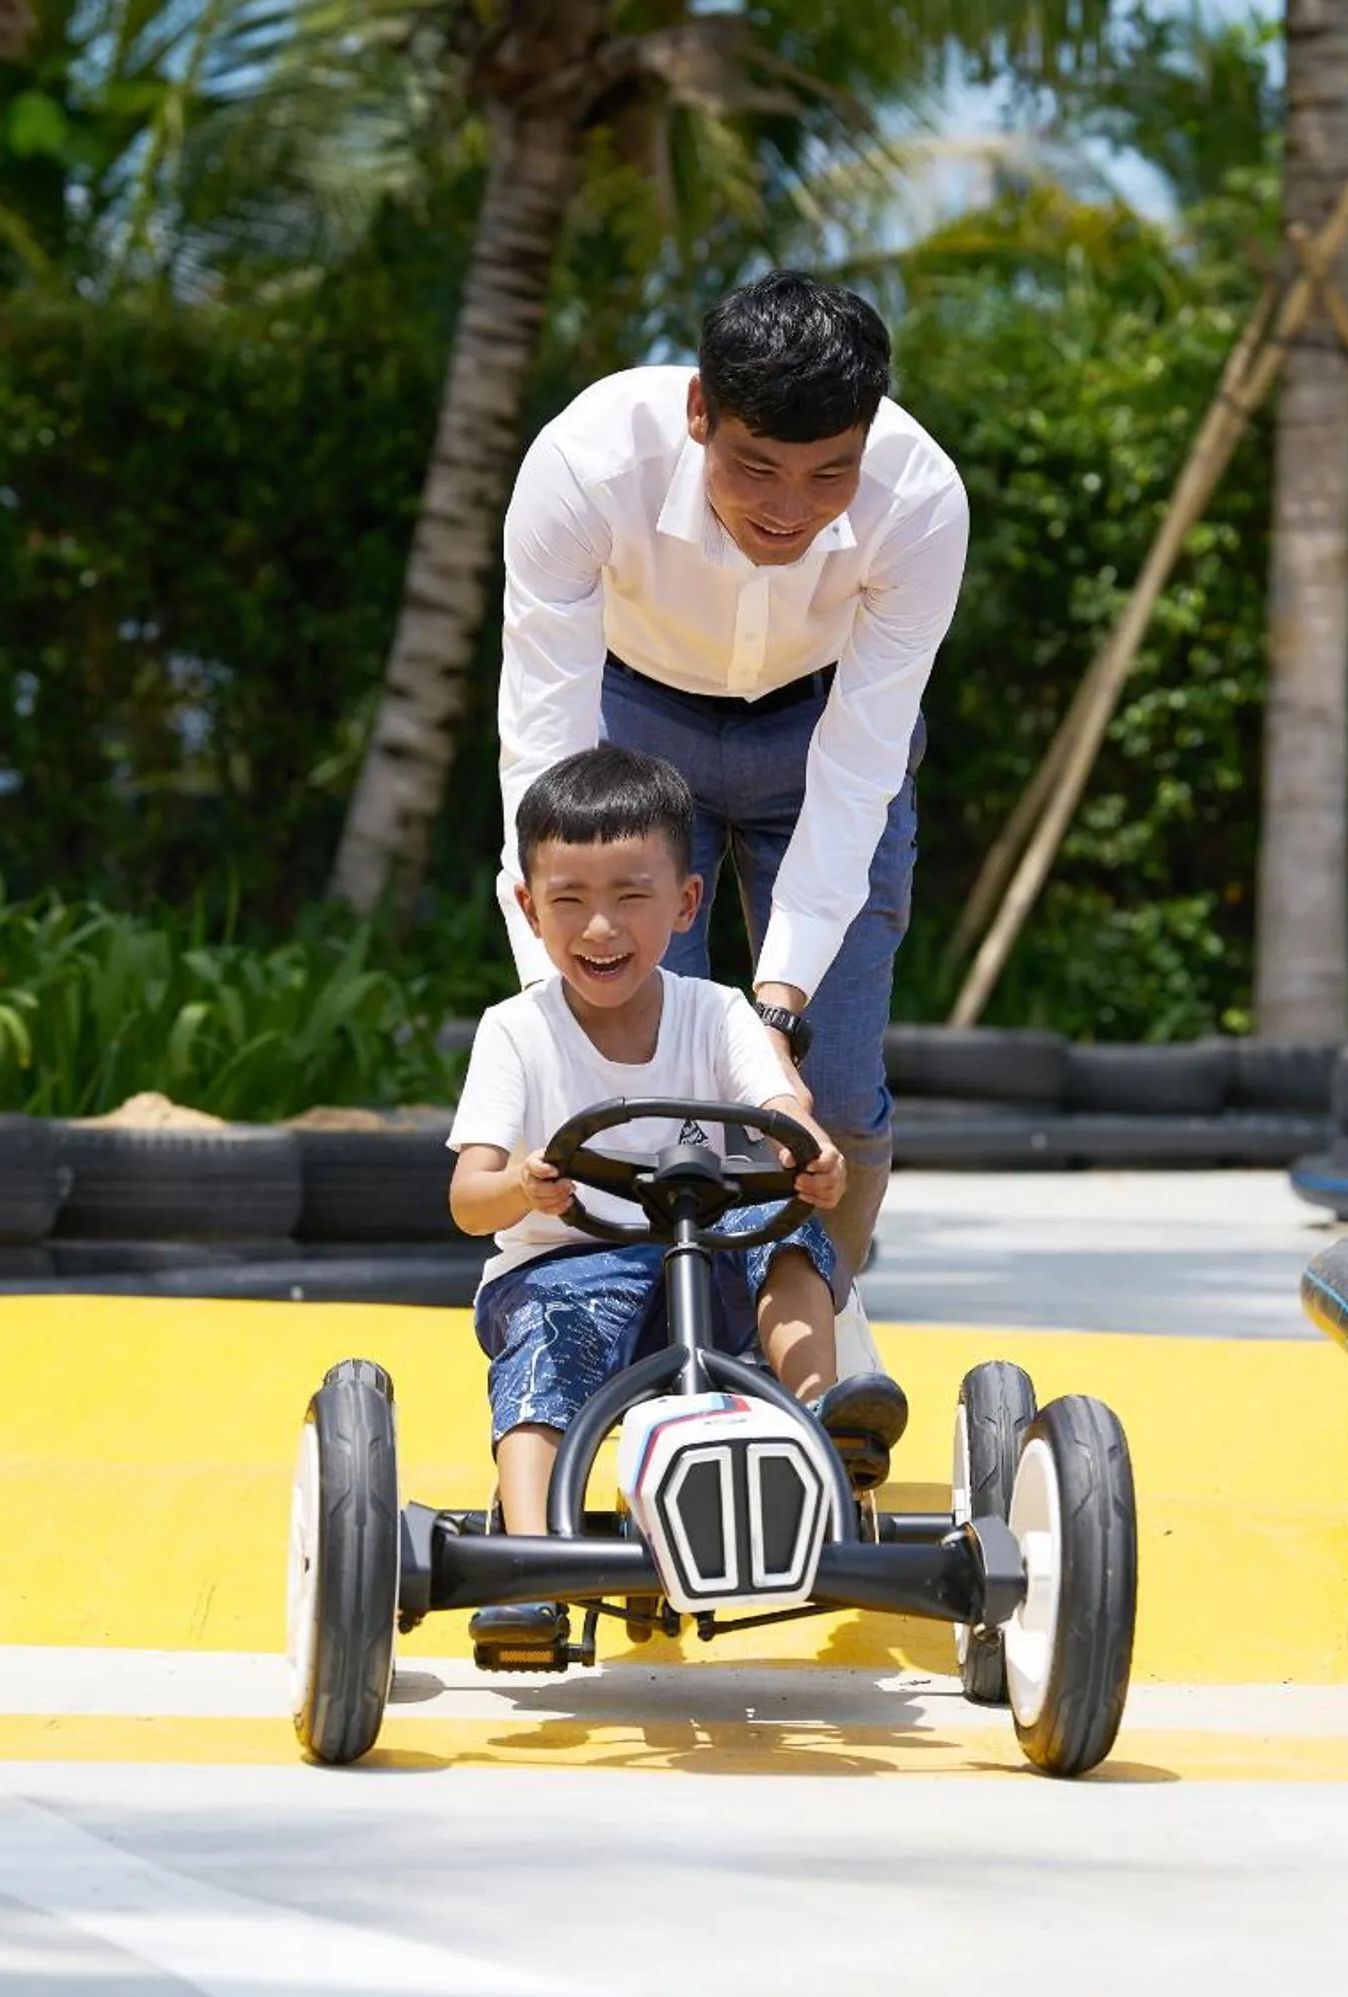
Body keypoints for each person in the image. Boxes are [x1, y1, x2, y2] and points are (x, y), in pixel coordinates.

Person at [493, 268, 970, 1329]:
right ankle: (668, 1337)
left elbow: (859, 771)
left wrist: (779, 1003)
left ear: (870, 431)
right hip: (636, 730)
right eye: (756, 466)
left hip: (822, 734)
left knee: (831, 1091)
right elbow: (544, 747)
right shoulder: (585, 461)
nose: (788, 510)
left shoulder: (922, 500)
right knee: (649, 1084)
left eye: (827, 474)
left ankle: (817, 1334)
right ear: (700, 410)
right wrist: (568, 987)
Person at [448, 744, 911, 1656]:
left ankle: (822, 1419)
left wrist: (810, 1153)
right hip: (562, 1268)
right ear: (527, 907)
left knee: (781, 1229)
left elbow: (779, 1102)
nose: (599, 928)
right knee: (549, 1338)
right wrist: (522, 1182)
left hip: (705, 1263)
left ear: (686, 903)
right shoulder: (514, 1032)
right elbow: (469, 1199)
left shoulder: (717, 1011)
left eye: (630, 895)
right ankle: (531, 1559)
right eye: (570, 900)